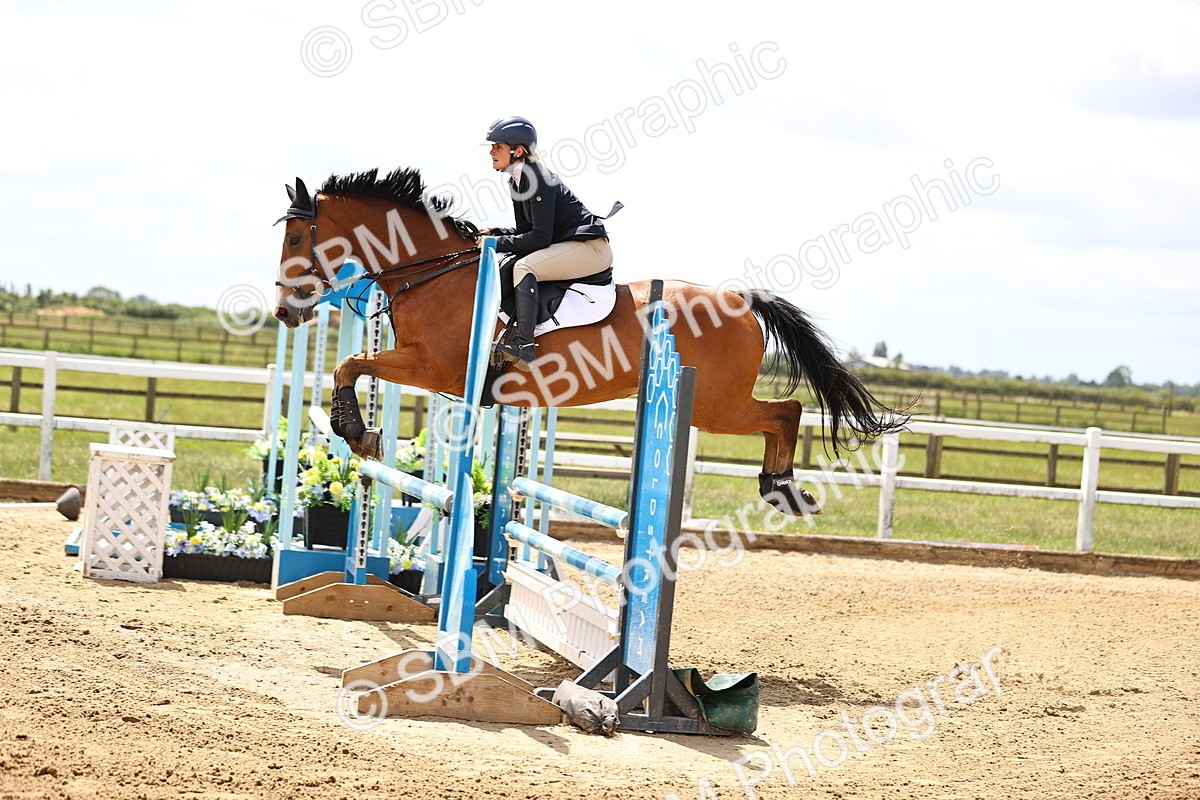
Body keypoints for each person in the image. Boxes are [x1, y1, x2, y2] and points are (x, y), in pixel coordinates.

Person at [477, 116, 613, 372]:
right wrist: (493, 232)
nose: (492, 152)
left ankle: (524, 345)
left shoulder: (536, 176)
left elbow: (539, 239)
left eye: (498, 146)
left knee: (525, 267)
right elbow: (524, 232)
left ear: (517, 151)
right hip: (569, 245)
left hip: (591, 249)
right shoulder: (517, 180)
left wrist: (495, 242)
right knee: (515, 260)